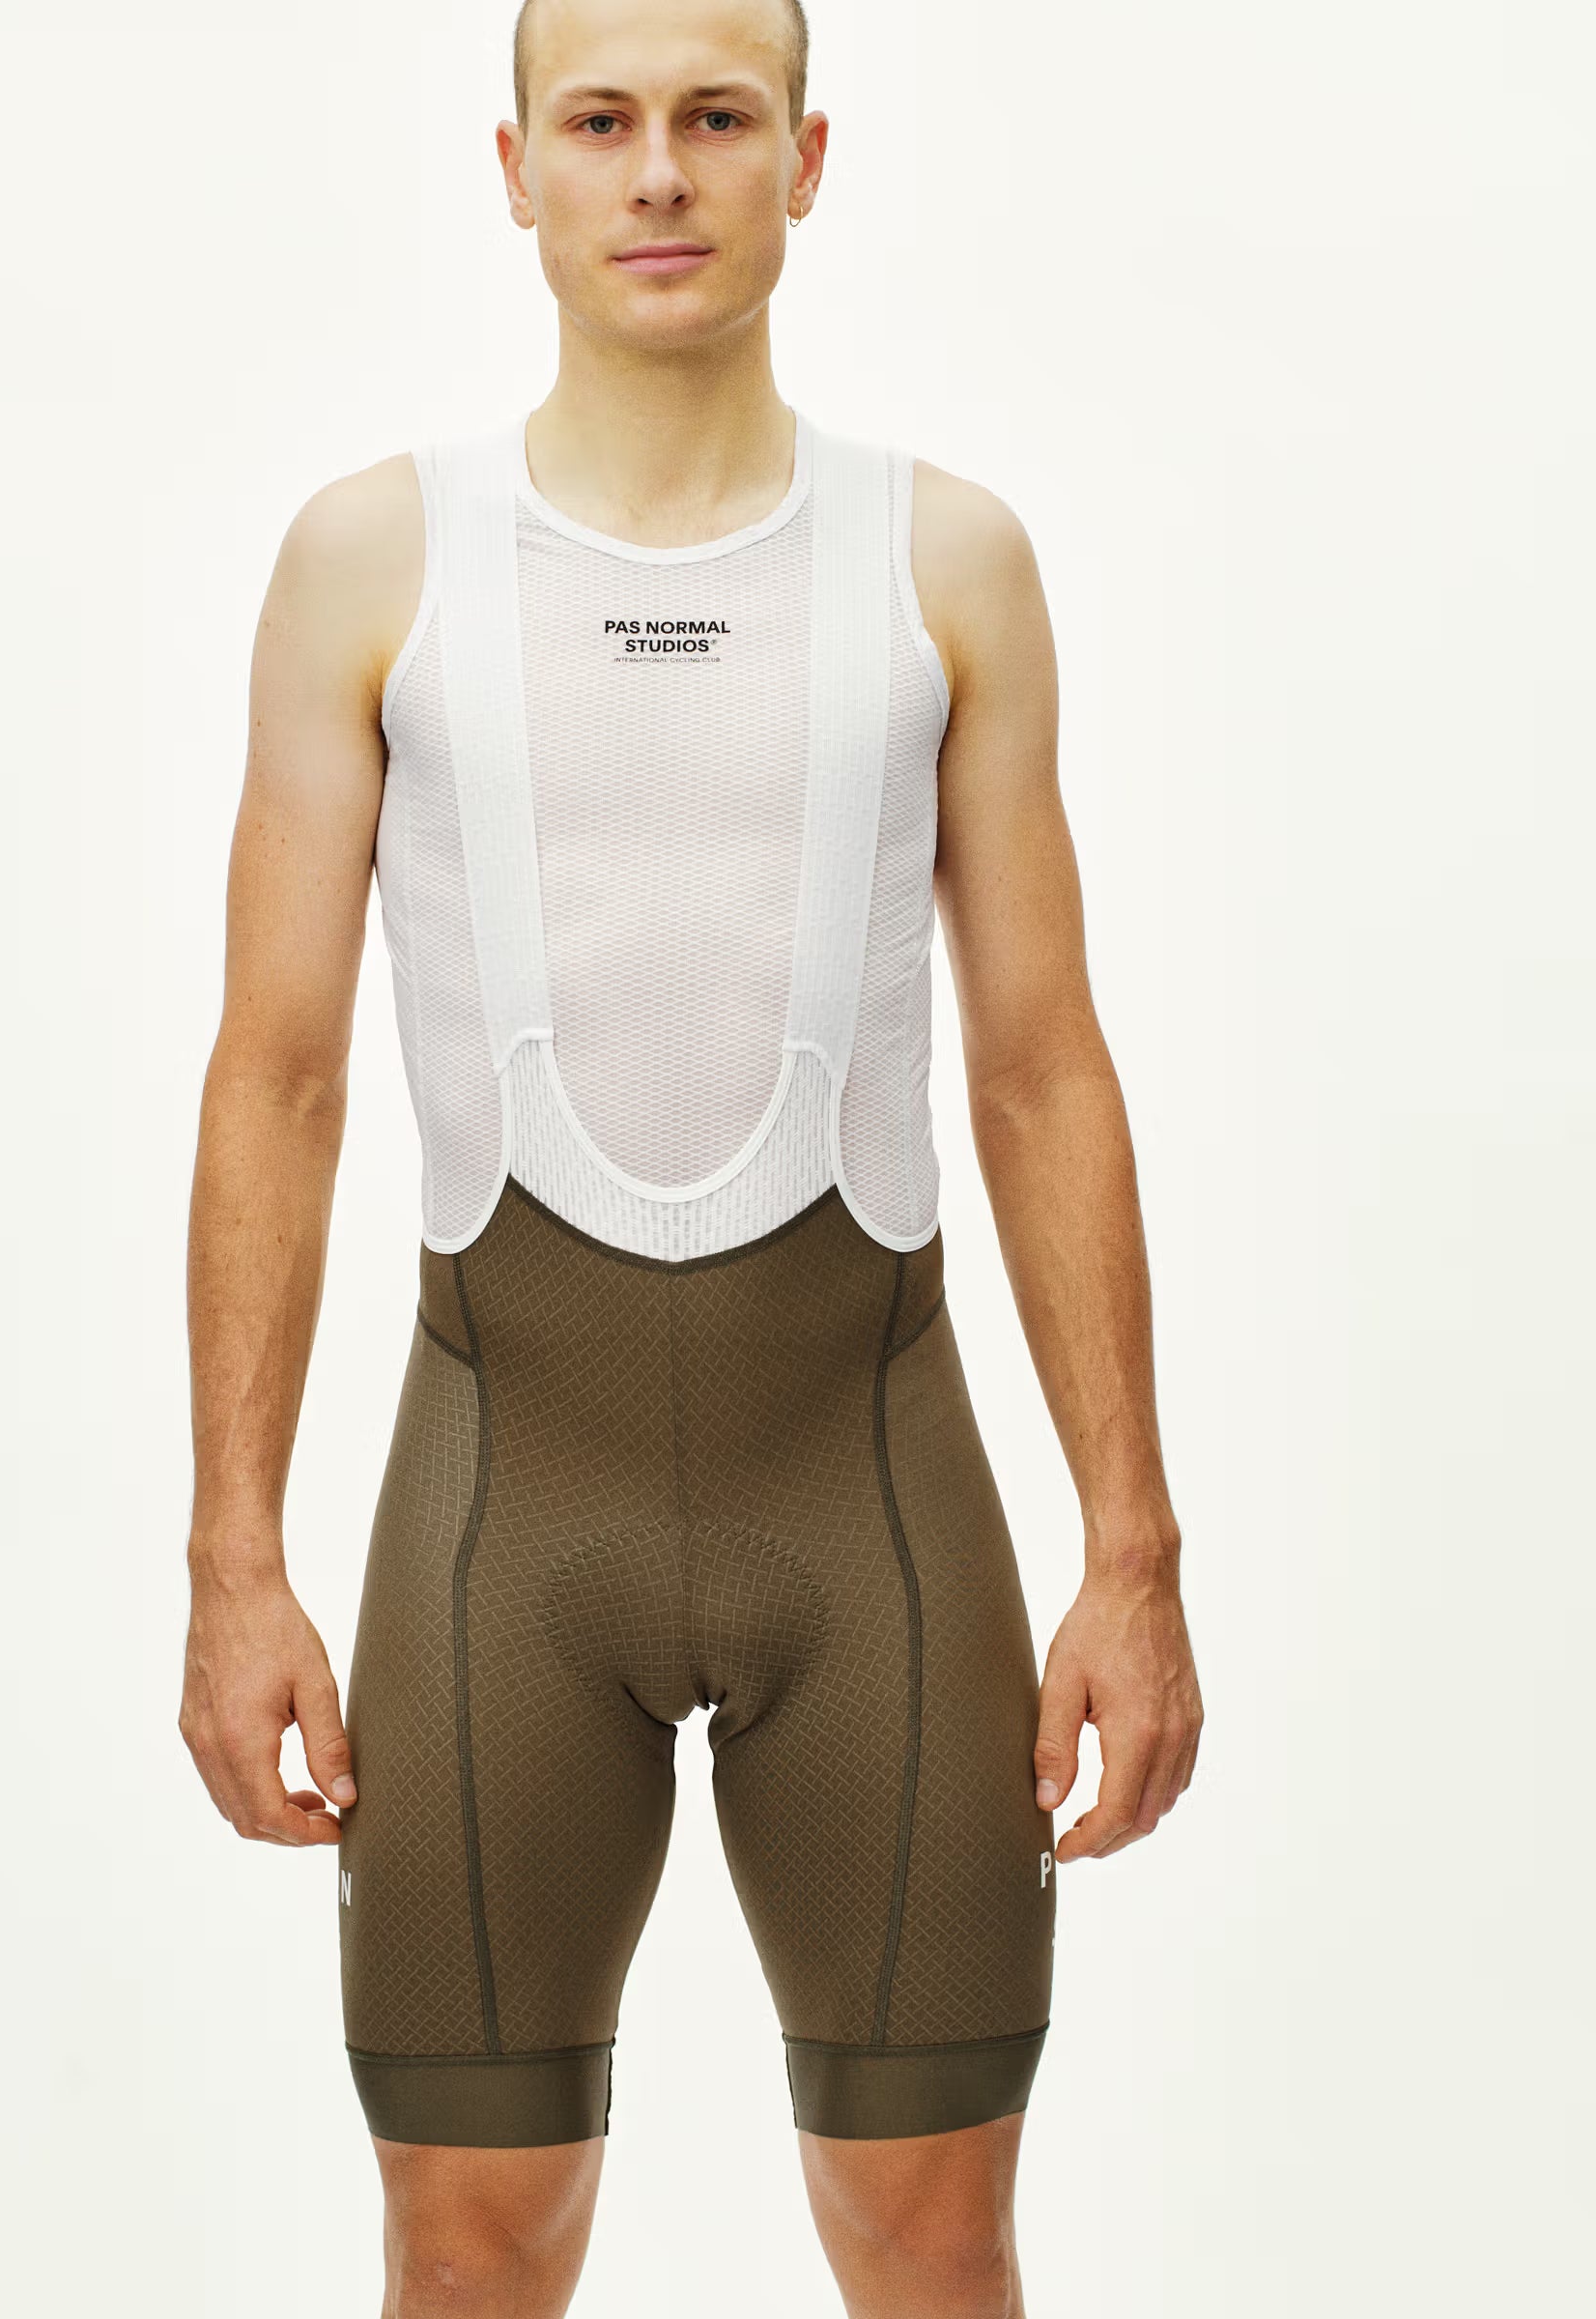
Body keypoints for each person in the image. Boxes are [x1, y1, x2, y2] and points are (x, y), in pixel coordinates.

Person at [179, 0, 1204, 2310]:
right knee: (473, 2245)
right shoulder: (376, 562)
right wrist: (233, 1557)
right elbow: (277, 1076)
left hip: (871, 1503)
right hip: (497, 1517)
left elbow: (1043, 1070)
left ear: (806, 161)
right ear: (517, 167)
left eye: (719, 118)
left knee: (931, 2236)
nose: (660, 171)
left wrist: (1131, 1551)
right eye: (605, 121)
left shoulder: (947, 561)